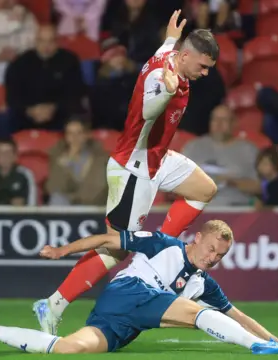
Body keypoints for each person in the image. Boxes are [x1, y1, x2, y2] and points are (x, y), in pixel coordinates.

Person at [32, 10, 220, 334]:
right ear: (186, 56)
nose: (205, 73)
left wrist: (171, 37)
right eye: (202, 66)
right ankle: (53, 304)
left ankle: (158, 254)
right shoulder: (162, 78)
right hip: (134, 169)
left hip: (157, 159)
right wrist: (166, 91)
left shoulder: (169, 54)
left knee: (204, 190)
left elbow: (165, 50)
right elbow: (149, 108)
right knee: (115, 247)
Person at [0, 220, 278, 355]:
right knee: (198, 313)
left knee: (67, 349)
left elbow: (237, 314)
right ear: (196, 239)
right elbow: (108, 238)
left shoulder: (203, 283)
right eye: (211, 248)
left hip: (124, 323)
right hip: (129, 293)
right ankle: (256, 349)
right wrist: (62, 251)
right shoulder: (165, 243)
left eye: (220, 255)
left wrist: (276, 338)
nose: (213, 258)